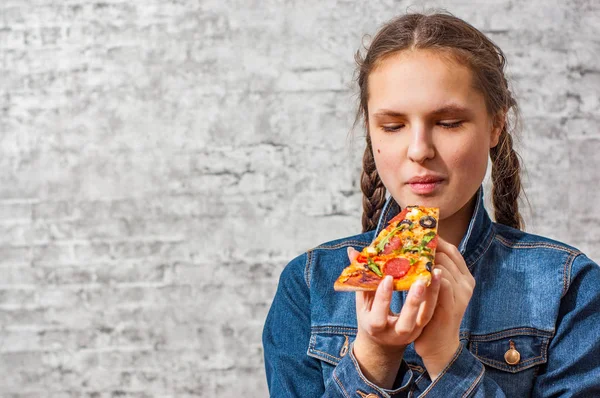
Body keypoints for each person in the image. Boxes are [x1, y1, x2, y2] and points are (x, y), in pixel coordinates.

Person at [262, 11, 600, 397]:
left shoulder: (570, 286)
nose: (419, 150)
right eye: (393, 126)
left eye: (449, 122)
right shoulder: (307, 285)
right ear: (372, 132)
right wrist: (374, 357)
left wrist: (446, 358)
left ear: (495, 125)